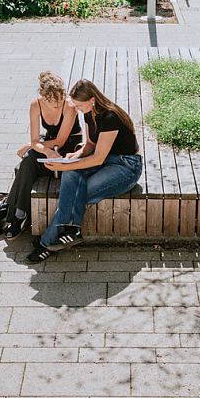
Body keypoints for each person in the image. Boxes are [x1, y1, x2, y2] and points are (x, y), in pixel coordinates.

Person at [26, 79, 142, 263]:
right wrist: (75, 155)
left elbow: (98, 158)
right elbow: (90, 145)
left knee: (74, 194)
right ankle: (72, 231)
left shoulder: (110, 117)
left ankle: (46, 244)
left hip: (126, 166)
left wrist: (64, 165)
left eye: (80, 105)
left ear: (93, 99)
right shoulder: (89, 113)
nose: (77, 109)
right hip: (105, 159)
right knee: (71, 177)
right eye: (76, 105)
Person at [3, 72, 82, 240]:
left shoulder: (69, 106)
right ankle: (20, 215)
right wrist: (40, 148)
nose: (55, 104)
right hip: (49, 144)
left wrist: (32, 146)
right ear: (42, 97)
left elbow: (60, 141)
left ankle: (16, 214)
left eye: (59, 99)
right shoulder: (35, 105)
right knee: (27, 162)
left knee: (24, 164)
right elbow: (34, 140)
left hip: (69, 146)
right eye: (51, 100)